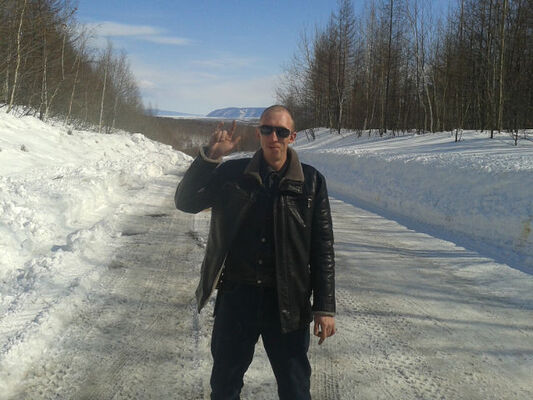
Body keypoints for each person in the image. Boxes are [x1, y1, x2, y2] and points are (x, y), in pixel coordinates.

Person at [175, 105, 335, 400]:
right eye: (267, 129)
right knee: (224, 387)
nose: (273, 137)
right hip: (237, 298)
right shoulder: (232, 173)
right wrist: (210, 157)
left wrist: (324, 308)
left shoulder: (312, 182)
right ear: (259, 132)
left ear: (292, 136)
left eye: (281, 131)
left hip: (288, 303)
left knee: (296, 389)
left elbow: (322, 247)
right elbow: (185, 202)